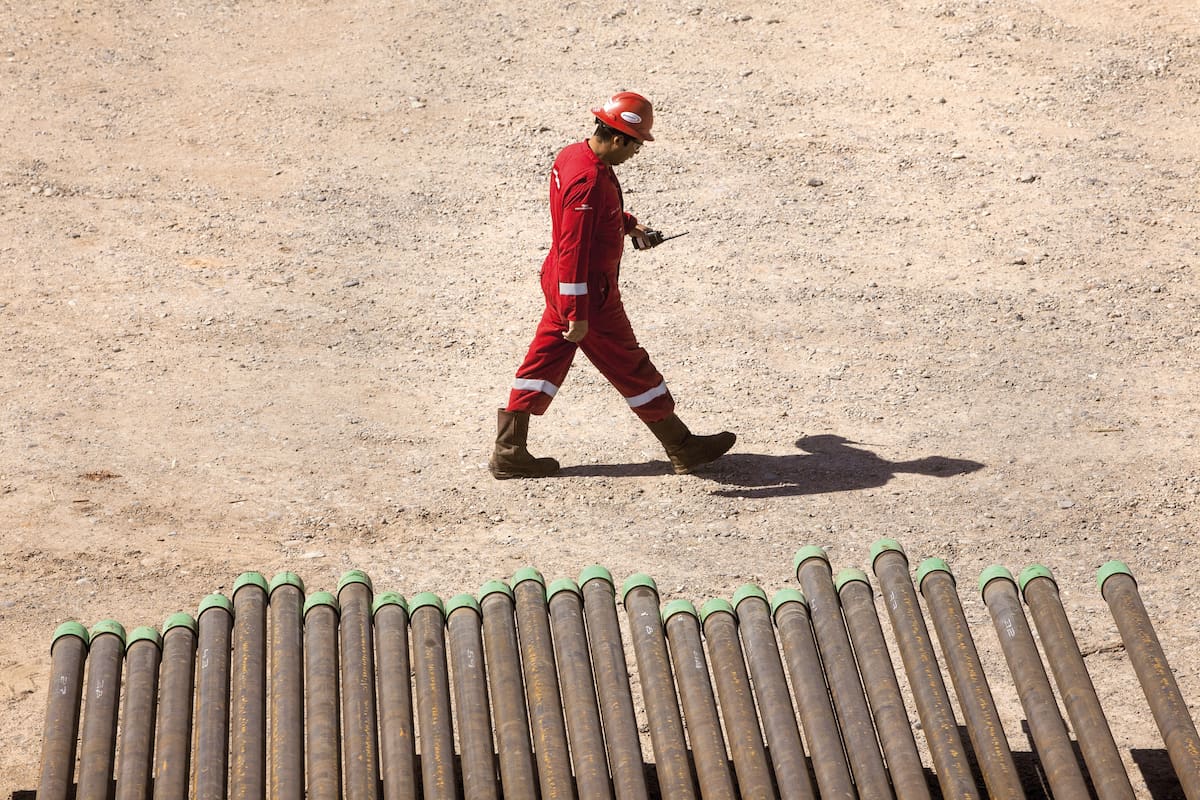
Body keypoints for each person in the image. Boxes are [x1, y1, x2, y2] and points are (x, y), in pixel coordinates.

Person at [489, 91, 735, 479]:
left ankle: (509, 451)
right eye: (636, 145)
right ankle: (682, 446)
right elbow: (574, 248)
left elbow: (588, 220)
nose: (636, 153)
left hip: (560, 283)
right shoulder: (589, 180)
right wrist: (578, 313)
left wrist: (627, 225)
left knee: (542, 362)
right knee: (629, 364)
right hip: (588, 293)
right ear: (619, 138)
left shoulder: (575, 156)